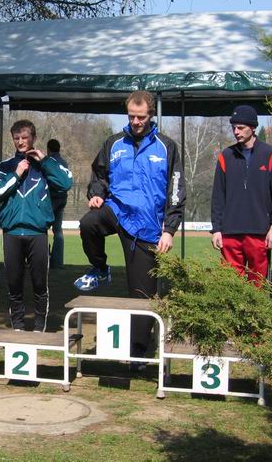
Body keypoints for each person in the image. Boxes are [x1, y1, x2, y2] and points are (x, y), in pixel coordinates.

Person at [74, 90, 185, 362]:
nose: (136, 122)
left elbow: (176, 191)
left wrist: (169, 230)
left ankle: (138, 352)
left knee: (142, 295)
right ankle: (100, 268)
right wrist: (96, 194)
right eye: (132, 116)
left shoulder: (167, 147)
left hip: (147, 226)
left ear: (151, 115)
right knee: (88, 223)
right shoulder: (114, 143)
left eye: (141, 117)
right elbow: (99, 175)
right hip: (117, 210)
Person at [0, 120, 73, 332]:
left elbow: (66, 183)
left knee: (40, 285)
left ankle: (39, 328)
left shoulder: (46, 165)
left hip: (37, 233)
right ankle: (18, 327)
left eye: (25, 137)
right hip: (12, 232)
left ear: (33, 138)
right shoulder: (5, 166)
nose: (21, 142)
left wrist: (45, 161)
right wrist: (16, 174)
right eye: (17, 138)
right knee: (14, 285)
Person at [211, 105, 272, 284]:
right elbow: (218, 197)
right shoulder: (225, 156)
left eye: (241, 128)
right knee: (230, 287)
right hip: (230, 234)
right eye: (233, 127)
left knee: (258, 287)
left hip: (259, 233)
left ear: (253, 127)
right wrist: (216, 229)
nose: (236, 132)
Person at [47, 139, 70, 269]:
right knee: (58, 231)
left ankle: (43, 258)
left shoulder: (49, 163)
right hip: (62, 199)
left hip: (51, 198)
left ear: (48, 149)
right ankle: (58, 261)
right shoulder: (64, 162)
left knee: (42, 228)